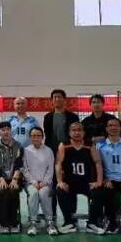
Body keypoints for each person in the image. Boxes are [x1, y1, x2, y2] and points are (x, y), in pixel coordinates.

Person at [55, 122, 105, 235]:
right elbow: (58, 163)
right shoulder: (64, 145)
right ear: (69, 132)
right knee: (60, 189)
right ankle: (69, 223)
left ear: (84, 132)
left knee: (98, 191)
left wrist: (99, 181)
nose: (77, 132)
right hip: (70, 182)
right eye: (74, 130)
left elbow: (98, 162)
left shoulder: (90, 145)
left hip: (86, 182)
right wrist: (60, 181)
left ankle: (92, 224)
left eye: (79, 130)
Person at [43, 89, 80, 221]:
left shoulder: (73, 117)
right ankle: (51, 214)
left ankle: (71, 215)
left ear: (64, 99)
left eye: (59, 97)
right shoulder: (48, 117)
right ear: (52, 100)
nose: (57, 99)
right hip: (52, 154)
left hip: (68, 153)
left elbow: (76, 136)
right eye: (54, 97)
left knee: (70, 183)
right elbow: (47, 137)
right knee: (53, 184)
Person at [22, 127, 57, 236]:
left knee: (43, 193)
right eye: (33, 136)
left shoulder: (49, 151)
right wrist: (33, 182)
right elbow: (25, 169)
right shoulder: (26, 151)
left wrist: (44, 182)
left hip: (45, 183)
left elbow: (50, 169)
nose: (36, 138)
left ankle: (50, 222)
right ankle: (33, 223)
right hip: (30, 182)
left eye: (38, 136)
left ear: (42, 137)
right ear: (30, 137)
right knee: (33, 193)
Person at [0, 122, 23, 234]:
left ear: (11, 131)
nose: (6, 132)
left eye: (8, 129)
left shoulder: (18, 145)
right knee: (3, 190)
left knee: (13, 190)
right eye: (3, 130)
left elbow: (19, 164)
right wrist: (1, 179)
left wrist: (15, 179)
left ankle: (14, 223)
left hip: (14, 177)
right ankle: (3, 223)